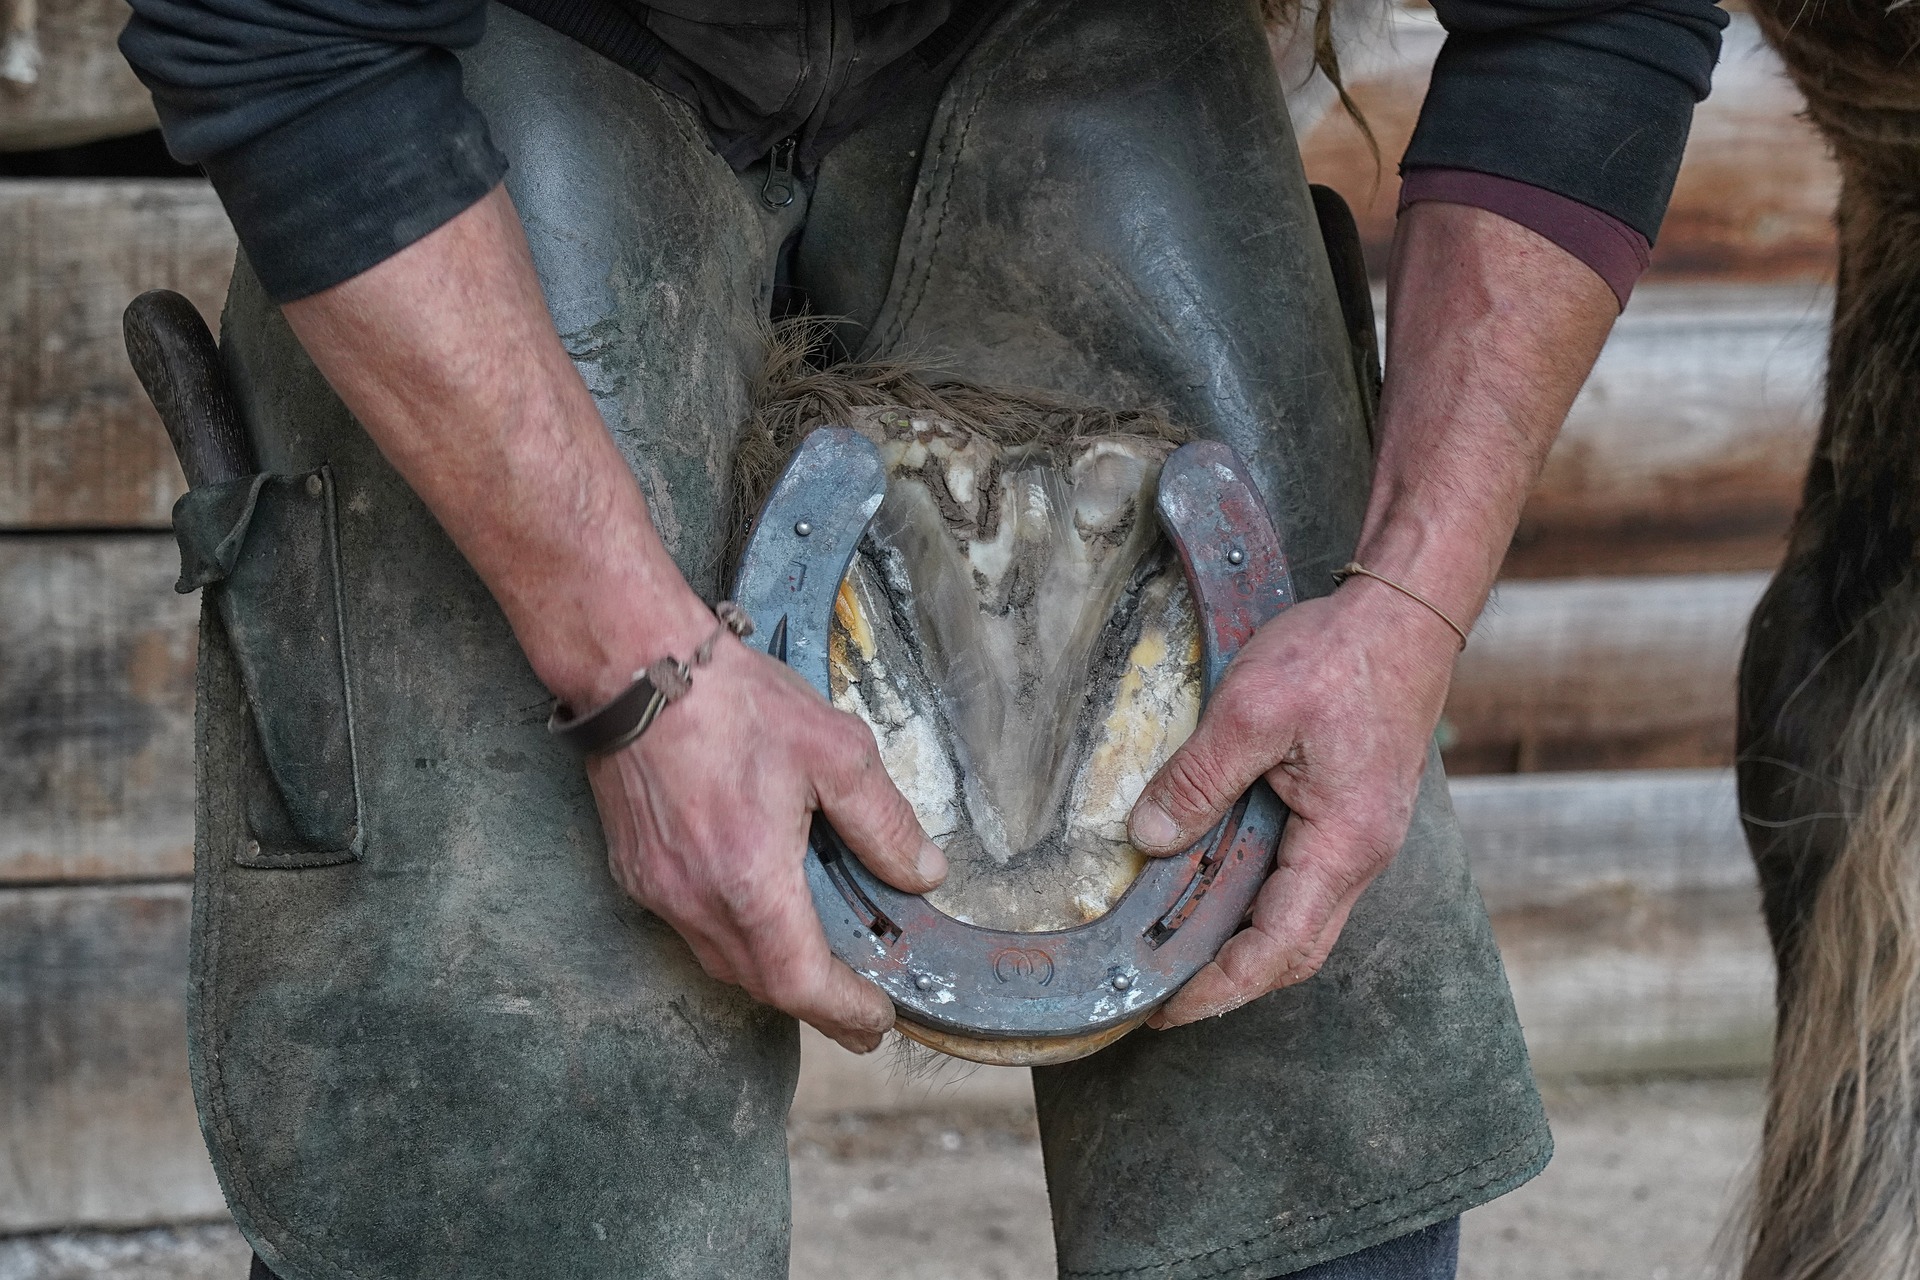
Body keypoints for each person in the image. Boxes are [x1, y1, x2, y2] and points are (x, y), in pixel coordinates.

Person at [118, 0, 1727, 1275]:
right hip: (514, 36)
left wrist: (1407, 610)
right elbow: (276, 33)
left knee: (1299, 957)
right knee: (500, 1014)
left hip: (1063, 29)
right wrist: (628, 664)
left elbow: (1591, 21)